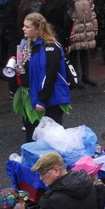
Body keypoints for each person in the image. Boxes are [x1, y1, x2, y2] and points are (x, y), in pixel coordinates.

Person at [14, 13, 72, 141]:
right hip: (33, 97)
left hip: (50, 100)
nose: (23, 29)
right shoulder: (28, 45)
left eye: (27, 27)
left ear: (37, 30)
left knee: (51, 139)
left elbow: (49, 75)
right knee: (31, 136)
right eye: (24, 26)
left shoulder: (51, 47)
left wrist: (42, 100)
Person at [66, 0, 98, 87]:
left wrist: (94, 26)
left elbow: (92, 10)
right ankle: (75, 79)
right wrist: (70, 30)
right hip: (74, 28)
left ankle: (86, 76)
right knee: (73, 54)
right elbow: (66, 13)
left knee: (85, 53)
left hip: (86, 27)